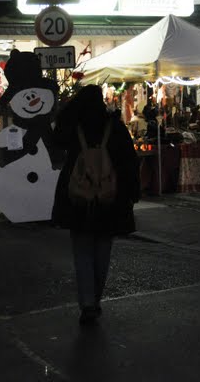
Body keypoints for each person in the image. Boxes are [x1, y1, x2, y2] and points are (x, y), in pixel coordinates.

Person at [51, 84, 139, 326]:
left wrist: (67, 110)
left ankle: (87, 302)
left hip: (78, 198)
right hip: (109, 199)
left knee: (82, 252)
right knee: (102, 250)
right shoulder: (114, 127)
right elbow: (129, 162)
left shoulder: (73, 126)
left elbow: (55, 141)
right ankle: (95, 300)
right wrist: (132, 192)